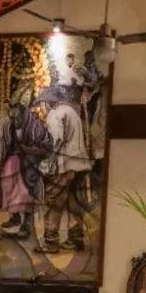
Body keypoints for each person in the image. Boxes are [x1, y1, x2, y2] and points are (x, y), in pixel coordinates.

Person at [34, 85, 93, 254]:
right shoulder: (70, 111)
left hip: (65, 164)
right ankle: (75, 238)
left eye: (41, 104)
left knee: (54, 200)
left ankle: (51, 241)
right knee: (73, 202)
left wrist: (49, 160)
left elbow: (56, 140)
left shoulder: (54, 114)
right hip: (79, 164)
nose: (41, 109)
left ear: (47, 102)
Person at [0, 94, 51, 240]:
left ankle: (26, 223)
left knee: (25, 193)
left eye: (15, 107)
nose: (12, 111)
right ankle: (15, 218)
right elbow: (6, 145)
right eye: (11, 107)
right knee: (9, 188)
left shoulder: (35, 125)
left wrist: (30, 150)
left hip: (28, 164)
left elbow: (47, 146)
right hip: (12, 161)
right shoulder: (9, 125)